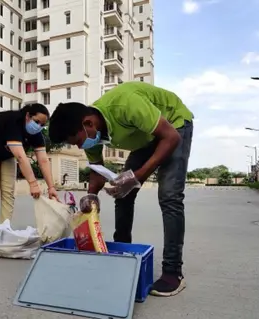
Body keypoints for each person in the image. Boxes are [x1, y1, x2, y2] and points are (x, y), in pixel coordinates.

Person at [48, 81, 194, 297]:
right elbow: (97, 171)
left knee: (170, 196)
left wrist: (137, 176)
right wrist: (91, 196)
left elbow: (170, 138)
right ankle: (122, 251)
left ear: (88, 123)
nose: (80, 147)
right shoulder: (92, 132)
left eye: (78, 141)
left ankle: (173, 272)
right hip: (147, 137)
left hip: (174, 125)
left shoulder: (125, 104)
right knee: (123, 194)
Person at [0, 103, 60, 249]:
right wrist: (33, 183)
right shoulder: (13, 121)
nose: (38, 126)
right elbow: (20, 156)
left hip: (6, 154)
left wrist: (51, 187)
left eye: (42, 125)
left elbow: (43, 160)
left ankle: (3, 231)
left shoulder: (36, 135)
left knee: (9, 192)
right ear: (27, 116)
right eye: (36, 121)